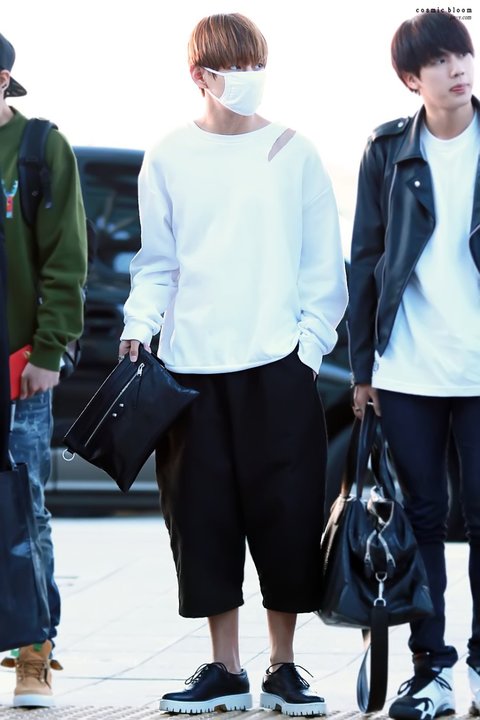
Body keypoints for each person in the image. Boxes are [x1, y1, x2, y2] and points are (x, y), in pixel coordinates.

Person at [119, 12, 347, 716]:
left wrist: (307, 351)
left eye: (256, 65)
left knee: (288, 515)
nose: (250, 78)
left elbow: (323, 268)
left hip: (278, 366)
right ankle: (225, 669)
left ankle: (283, 666)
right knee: (201, 518)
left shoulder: (294, 152)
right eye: (235, 67)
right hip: (189, 371)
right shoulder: (167, 156)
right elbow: (157, 262)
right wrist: (138, 326)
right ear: (200, 75)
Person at [348, 11, 480, 720]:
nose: (457, 69)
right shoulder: (387, 151)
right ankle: (432, 670)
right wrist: (361, 369)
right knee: (420, 520)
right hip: (409, 368)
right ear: (411, 78)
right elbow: (366, 258)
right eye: (439, 61)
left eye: (462, 54)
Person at [0, 33, 87, 707]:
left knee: (24, 508)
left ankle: (34, 655)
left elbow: (66, 257)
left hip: (17, 367)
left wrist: (50, 350)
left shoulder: (38, 148)